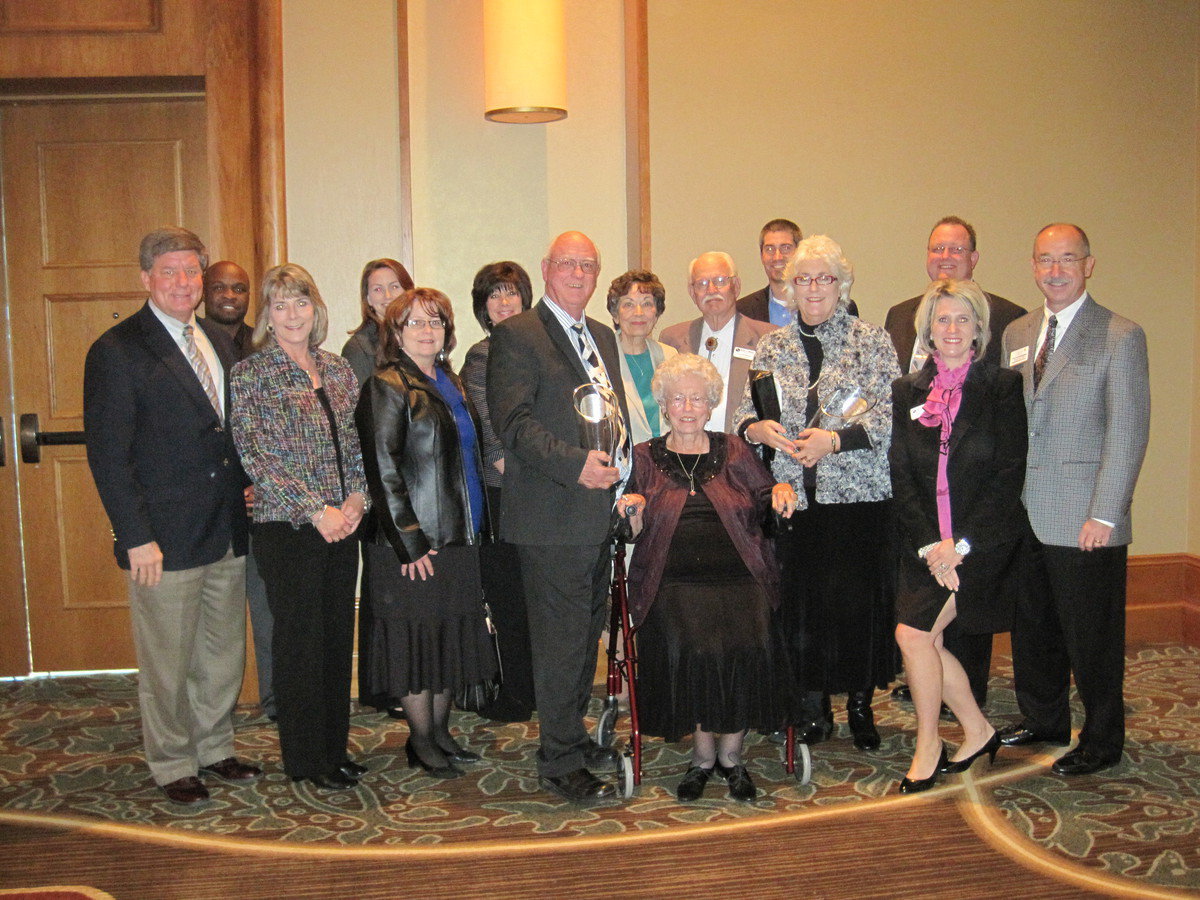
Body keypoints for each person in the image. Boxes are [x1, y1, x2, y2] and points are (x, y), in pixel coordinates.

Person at [83, 227, 259, 806]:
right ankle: (172, 760)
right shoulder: (116, 350)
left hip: (226, 527)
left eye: (192, 272)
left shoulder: (218, 338)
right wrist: (135, 537)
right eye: (171, 272)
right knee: (167, 657)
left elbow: (228, 432)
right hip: (162, 537)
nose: (185, 283)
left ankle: (214, 746)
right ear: (146, 280)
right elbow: (109, 456)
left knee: (220, 651)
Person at [736, 235, 901, 751]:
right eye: (802, 279)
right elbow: (747, 412)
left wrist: (835, 440)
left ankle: (858, 705)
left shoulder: (871, 340)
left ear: (842, 285)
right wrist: (755, 431)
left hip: (856, 499)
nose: (812, 289)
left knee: (855, 606)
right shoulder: (773, 347)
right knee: (802, 608)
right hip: (793, 501)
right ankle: (811, 707)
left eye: (823, 279)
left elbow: (889, 416)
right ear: (789, 288)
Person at [998, 224, 1149, 776]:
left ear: (1089, 265)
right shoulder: (1018, 331)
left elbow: (1128, 431)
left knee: (1092, 638)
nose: (1055, 270)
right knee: (1033, 629)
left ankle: (1104, 737)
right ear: (1033, 266)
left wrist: (1106, 513)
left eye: (1067, 259)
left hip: (1086, 516)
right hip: (1026, 512)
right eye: (1045, 260)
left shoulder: (1119, 335)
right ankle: (1045, 720)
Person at [487, 230, 630, 803]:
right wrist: (577, 467)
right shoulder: (517, 334)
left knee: (582, 639)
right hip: (552, 516)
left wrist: (620, 478)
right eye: (567, 264)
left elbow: (611, 413)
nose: (578, 273)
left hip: (596, 514)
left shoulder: (600, 335)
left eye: (588, 265)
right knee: (559, 643)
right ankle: (560, 761)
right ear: (546, 269)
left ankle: (570, 735)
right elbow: (514, 423)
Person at [618, 354, 797, 802]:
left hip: (740, 576)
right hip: (672, 582)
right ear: (664, 404)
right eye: (677, 398)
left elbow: (764, 495)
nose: (687, 406)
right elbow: (630, 529)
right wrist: (630, 511)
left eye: (697, 398)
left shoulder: (734, 449)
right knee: (693, 647)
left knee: (748, 641)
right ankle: (702, 758)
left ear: (711, 404)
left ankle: (732, 758)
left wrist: (779, 489)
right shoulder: (643, 457)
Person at [230, 264, 369, 792]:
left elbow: (356, 446)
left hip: (343, 524)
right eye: (280, 305)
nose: (292, 315)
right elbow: (258, 457)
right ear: (267, 315)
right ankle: (307, 757)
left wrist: (357, 500)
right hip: (289, 529)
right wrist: (318, 510)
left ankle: (334, 748)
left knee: (336, 639)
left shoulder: (336, 369)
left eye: (301, 303)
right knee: (300, 642)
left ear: (317, 309)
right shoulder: (251, 374)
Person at [889, 280, 1030, 792]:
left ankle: (929, 744)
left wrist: (960, 546)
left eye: (962, 320)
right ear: (927, 329)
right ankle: (977, 730)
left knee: (914, 636)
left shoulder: (1001, 389)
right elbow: (901, 476)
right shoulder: (907, 391)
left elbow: (1008, 476)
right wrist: (932, 546)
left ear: (979, 330)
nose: (951, 330)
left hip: (981, 545)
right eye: (941, 320)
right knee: (922, 639)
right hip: (923, 547)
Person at [356, 287, 498, 777]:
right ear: (395, 333)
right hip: (413, 544)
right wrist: (410, 541)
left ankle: (440, 733)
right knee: (415, 643)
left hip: (459, 536)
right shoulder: (387, 385)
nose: (426, 329)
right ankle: (420, 741)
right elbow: (383, 470)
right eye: (414, 322)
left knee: (445, 638)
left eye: (435, 321)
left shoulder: (450, 383)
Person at [459, 261, 537, 722]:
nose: (505, 302)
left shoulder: (541, 345)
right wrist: (511, 461)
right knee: (508, 597)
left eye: (512, 293)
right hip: (503, 490)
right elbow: (490, 422)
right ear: (483, 307)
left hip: (542, 489)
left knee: (540, 598)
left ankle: (543, 690)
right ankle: (517, 692)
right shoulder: (480, 355)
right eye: (495, 295)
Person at [341, 258, 415, 717]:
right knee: (383, 588)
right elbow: (361, 425)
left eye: (394, 286)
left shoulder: (417, 337)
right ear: (366, 299)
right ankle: (380, 686)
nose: (385, 296)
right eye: (376, 289)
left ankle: (405, 680)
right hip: (378, 480)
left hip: (416, 479)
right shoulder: (360, 347)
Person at [202, 260, 275, 722]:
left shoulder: (264, 345)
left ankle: (275, 701)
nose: (230, 295)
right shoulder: (190, 345)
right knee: (216, 624)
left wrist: (261, 485)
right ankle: (212, 716)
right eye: (220, 287)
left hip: (266, 503)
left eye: (240, 288)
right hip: (210, 505)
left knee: (270, 613)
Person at [660, 252, 776, 433]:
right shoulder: (671, 340)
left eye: (720, 281)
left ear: (736, 286)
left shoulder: (767, 339)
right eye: (702, 284)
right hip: (686, 454)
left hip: (743, 453)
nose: (711, 290)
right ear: (692, 293)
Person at [607, 269, 678, 444]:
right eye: (629, 304)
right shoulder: (603, 359)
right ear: (616, 315)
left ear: (656, 313)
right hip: (622, 462)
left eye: (647, 304)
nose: (638, 312)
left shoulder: (670, 356)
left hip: (666, 458)